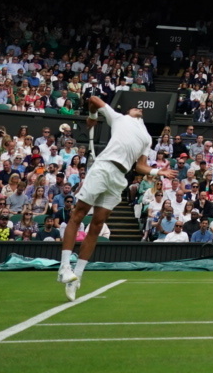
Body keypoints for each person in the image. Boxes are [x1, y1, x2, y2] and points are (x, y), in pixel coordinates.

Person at [58, 95, 173, 301]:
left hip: (119, 177)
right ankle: (64, 267)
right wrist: (92, 116)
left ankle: (77, 277)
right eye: (135, 107)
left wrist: (158, 173)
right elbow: (93, 98)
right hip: (104, 167)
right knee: (79, 214)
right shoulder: (118, 118)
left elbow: (140, 166)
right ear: (129, 111)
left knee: (97, 224)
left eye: (141, 109)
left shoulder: (147, 138)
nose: (139, 109)